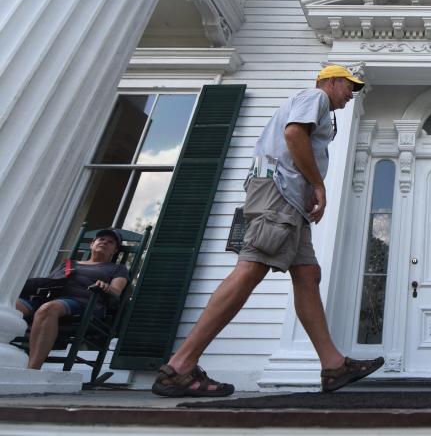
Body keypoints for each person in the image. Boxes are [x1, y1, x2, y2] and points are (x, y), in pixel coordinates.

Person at [153, 65, 383, 397]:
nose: (352, 94)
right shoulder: (315, 96)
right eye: (349, 86)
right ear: (331, 82)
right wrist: (319, 185)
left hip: (289, 198)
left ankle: (333, 366)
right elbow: (293, 135)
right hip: (278, 191)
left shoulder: (318, 105)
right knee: (251, 268)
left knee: (308, 274)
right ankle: (179, 367)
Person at [16, 228, 129, 370]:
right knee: (10, 305)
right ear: (92, 244)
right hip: (51, 298)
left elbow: (116, 291)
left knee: (47, 309)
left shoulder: (117, 269)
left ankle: (32, 370)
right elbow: (49, 283)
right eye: (101, 239)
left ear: (114, 250)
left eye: (111, 242)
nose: (105, 242)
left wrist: (105, 286)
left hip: (84, 303)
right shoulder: (68, 264)